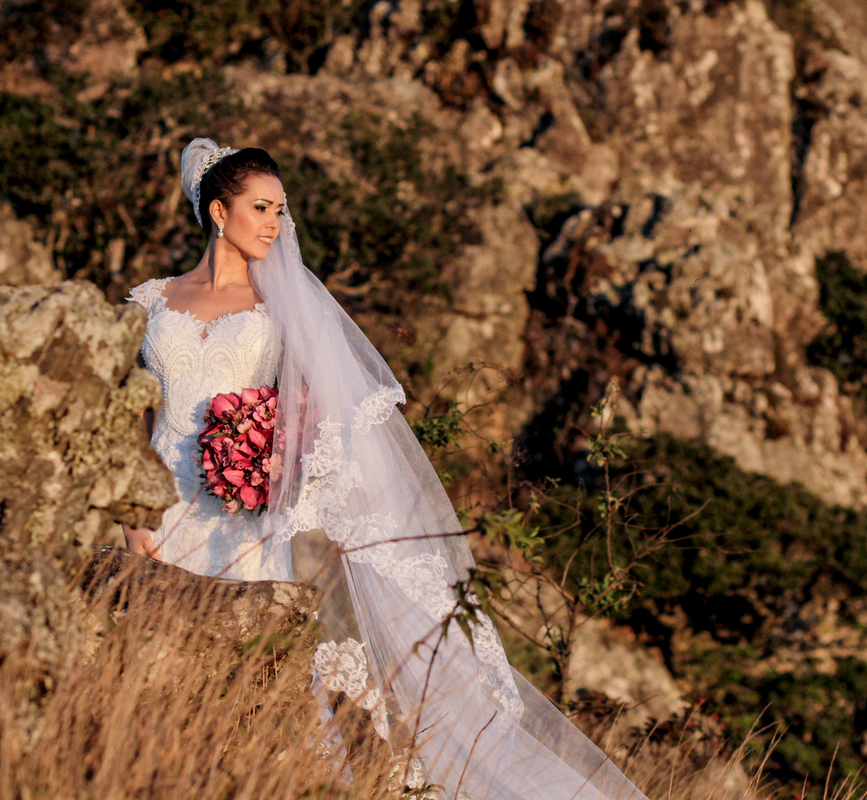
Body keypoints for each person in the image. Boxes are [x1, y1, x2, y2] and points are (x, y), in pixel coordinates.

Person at [123, 138, 648, 800]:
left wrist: (273, 453)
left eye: (282, 211)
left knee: (236, 676)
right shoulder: (152, 299)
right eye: (262, 208)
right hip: (156, 509)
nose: (277, 226)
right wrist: (128, 519)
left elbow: (323, 413)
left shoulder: (283, 307)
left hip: (240, 522)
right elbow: (128, 416)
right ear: (219, 212)